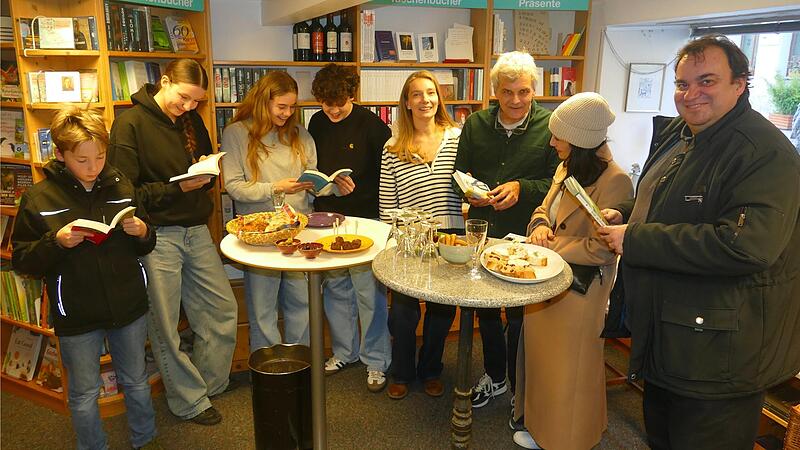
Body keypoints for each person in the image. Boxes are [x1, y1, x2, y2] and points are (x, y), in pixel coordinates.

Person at [598, 35, 800, 450]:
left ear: (740, 84)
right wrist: (628, 210)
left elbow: (744, 245)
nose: (690, 95)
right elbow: (678, 201)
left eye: (706, 81)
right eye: (681, 83)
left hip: (719, 358)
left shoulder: (763, 152)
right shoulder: (684, 132)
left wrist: (635, 238)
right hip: (673, 339)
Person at [12, 107, 160, 449]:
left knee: (137, 380)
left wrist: (142, 231)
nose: (93, 168)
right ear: (61, 155)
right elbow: (24, 261)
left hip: (128, 304)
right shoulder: (39, 198)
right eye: (82, 160)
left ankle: (146, 439)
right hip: (76, 312)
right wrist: (57, 242)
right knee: (83, 393)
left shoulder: (121, 184)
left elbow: (147, 243)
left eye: (101, 156)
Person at [108, 59, 239, 426]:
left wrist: (203, 176)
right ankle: (188, 401)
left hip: (196, 229)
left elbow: (206, 168)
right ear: (163, 81)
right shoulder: (129, 124)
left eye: (196, 102)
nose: (188, 108)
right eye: (183, 98)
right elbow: (124, 194)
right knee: (165, 325)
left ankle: (207, 387)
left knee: (221, 311)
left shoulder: (191, 120)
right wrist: (175, 187)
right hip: (156, 236)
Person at [512, 93, 633, 449]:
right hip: (549, 278)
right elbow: (544, 206)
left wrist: (549, 247)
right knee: (544, 363)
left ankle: (568, 438)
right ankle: (542, 427)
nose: (551, 143)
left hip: (582, 289)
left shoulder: (616, 181)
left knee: (571, 369)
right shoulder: (567, 168)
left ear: (579, 140)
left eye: (558, 136)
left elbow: (604, 250)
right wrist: (537, 226)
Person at [453, 51, 560, 409]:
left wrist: (521, 188)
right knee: (485, 310)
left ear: (535, 90)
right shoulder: (476, 124)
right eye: (508, 92)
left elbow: (558, 184)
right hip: (481, 232)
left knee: (520, 316)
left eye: (524, 92)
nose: (516, 100)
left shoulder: (551, 127)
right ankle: (496, 376)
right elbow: (458, 174)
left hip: (526, 238)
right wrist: (471, 193)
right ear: (495, 90)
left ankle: (521, 387)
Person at [379, 70, 464, 400]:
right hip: (410, 238)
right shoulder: (392, 147)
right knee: (403, 312)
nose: (425, 100)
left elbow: (468, 185)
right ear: (407, 102)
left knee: (442, 311)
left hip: (450, 235)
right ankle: (402, 372)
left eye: (430, 93)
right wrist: (390, 244)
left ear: (438, 98)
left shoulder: (457, 138)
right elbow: (388, 202)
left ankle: (430, 370)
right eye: (417, 94)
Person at [307, 63, 392, 392]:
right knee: (336, 291)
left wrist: (356, 187)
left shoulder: (372, 125)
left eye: (339, 103)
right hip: (327, 217)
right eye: (326, 104)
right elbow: (313, 167)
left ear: (352, 96)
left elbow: (385, 176)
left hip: (365, 219)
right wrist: (323, 185)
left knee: (368, 293)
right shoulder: (316, 122)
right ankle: (345, 351)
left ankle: (376, 360)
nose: (333, 110)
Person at [221, 71, 317, 351]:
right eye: (281, 107)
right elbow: (234, 187)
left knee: (301, 301)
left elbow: (312, 180)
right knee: (263, 308)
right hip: (259, 233)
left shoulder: (300, 134)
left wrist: (331, 186)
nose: (287, 114)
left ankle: (301, 362)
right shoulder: (236, 133)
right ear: (264, 102)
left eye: (292, 107)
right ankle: (269, 367)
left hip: (298, 229)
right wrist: (275, 187)